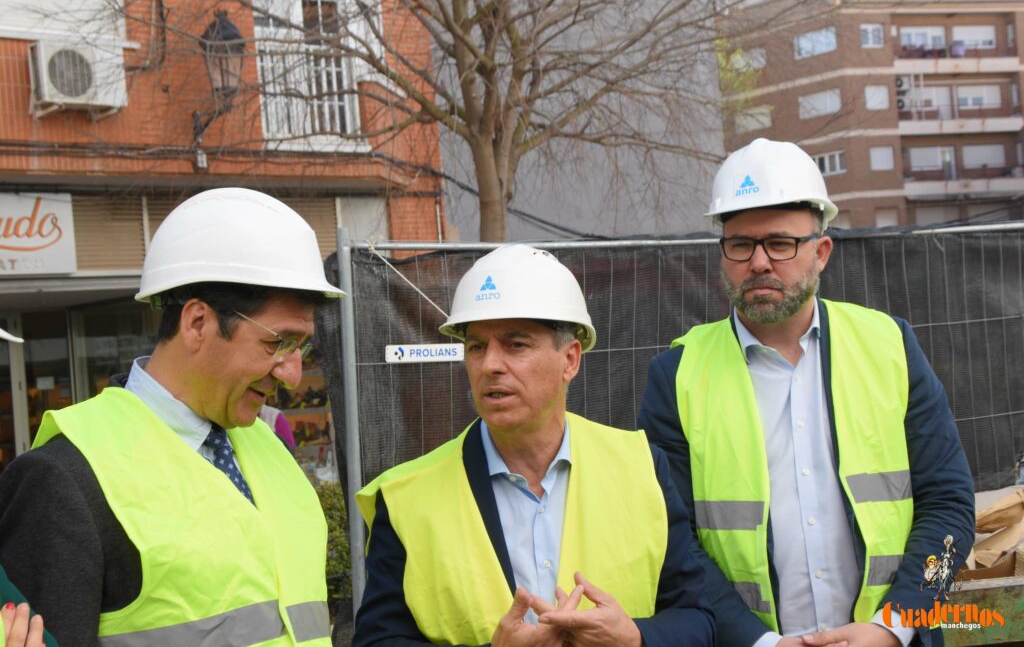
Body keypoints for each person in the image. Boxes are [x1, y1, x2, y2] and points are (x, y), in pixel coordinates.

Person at [638, 138, 975, 647]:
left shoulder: (890, 347)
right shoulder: (677, 375)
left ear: (821, 253)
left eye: (780, 243)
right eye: (740, 244)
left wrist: (896, 624)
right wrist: (758, 642)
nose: (758, 262)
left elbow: (950, 507)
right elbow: (673, 539)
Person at [0, 188, 346, 646]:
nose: (293, 373)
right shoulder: (66, 478)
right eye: (277, 343)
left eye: (300, 346)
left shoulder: (269, 448)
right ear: (197, 323)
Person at [353, 244, 714, 647]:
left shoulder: (643, 469)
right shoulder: (407, 498)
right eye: (476, 347)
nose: (490, 365)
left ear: (570, 360)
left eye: (516, 345)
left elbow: (697, 618)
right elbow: (377, 640)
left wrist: (636, 638)